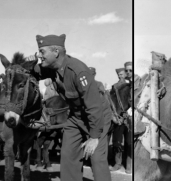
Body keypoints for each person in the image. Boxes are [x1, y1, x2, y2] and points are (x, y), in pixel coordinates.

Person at [27, 34, 112, 181]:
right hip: (75, 117)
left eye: (42, 52)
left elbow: (94, 107)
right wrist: (30, 63)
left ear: (56, 52)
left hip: (97, 116)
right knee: (68, 156)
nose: (40, 56)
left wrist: (94, 137)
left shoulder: (78, 71)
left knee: (97, 159)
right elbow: (32, 73)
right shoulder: (51, 67)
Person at [109, 67, 131, 174]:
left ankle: (129, 164)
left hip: (129, 118)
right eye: (119, 75)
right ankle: (117, 163)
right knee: (117, 142)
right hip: (118, 119)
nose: (120, 76)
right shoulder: (114, 87)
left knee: (129, 142)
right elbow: (111, 102)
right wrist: (115, 115)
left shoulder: (130, 86)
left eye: (121, 74)